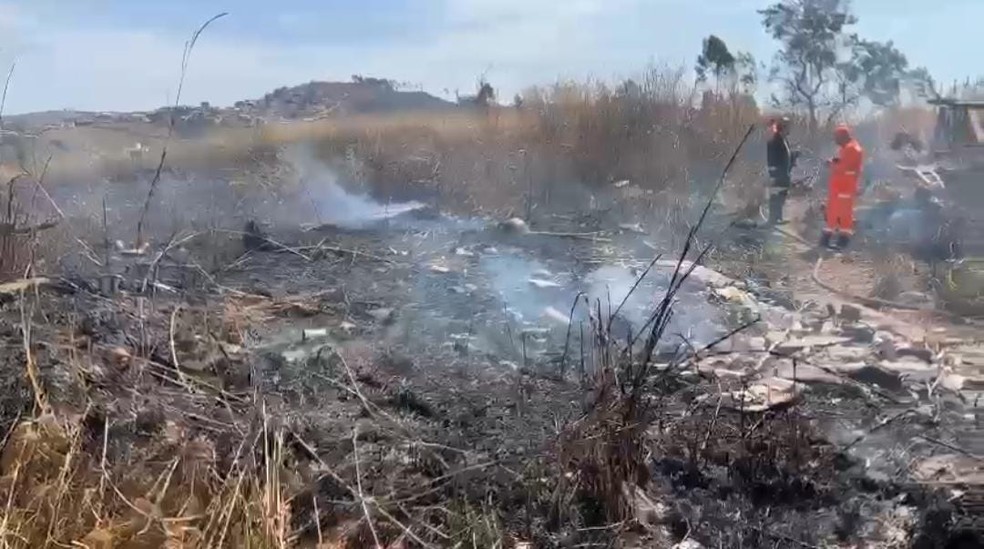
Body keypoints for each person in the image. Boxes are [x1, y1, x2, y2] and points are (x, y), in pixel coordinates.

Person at [821, 124, 864, 249]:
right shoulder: (848, 148)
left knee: (842, 214)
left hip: (844, 187)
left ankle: (838, 241)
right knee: (838, 213)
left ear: (843, 137)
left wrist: (831, 165)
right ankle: (837, 241)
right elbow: (844, 163)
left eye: (837, 138)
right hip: (841, 187)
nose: (835, 141)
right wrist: (835, 161)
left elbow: (844, 168)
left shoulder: (852, 149)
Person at [765, 117, 798, 225]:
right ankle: (773, 219)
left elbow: (785, 155)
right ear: (783, 128)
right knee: (776, 196)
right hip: (778, 174)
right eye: (788, 127)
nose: (790, 130)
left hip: (784, 173)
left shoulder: (783, 140)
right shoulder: (775, 140)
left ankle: (777, 217)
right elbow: (772, 157)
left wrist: (793, 156)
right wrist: (773, 173)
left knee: (781, 195)